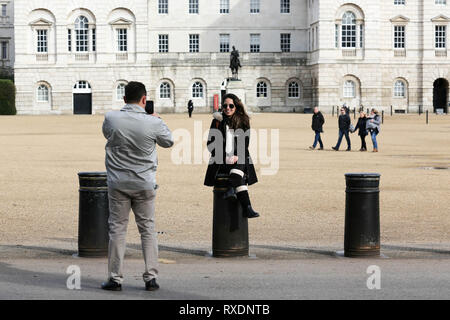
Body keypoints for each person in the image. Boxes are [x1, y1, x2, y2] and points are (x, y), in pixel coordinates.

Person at [101, 81, 174, 292]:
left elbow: (108, 134)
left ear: (124, 99)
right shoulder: (153, 123)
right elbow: (168, 142)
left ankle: (115, 278)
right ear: (144, 99)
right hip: (144, 183)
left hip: (118, 182)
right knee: (148, 230)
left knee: (117, 230)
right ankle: (151, 277)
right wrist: (157, 120)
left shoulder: (111, 118)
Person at [204, 93, 259, 218]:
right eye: (225, 106)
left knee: (239, 166)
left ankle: (231, 189)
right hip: (221, 160)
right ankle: (247, 207)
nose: (227, 108)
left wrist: (236, 156)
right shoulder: (217, 122)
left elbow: (245, 144)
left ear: (237, 106)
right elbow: (210, 144)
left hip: (239, 158)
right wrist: (224, 156)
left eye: (231, 106)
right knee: (238, 177)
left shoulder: (244, 121)